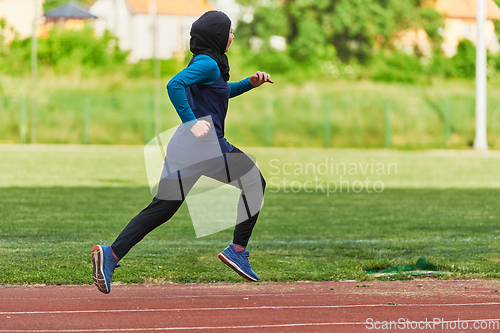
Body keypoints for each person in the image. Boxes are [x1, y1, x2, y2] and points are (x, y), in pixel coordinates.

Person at [92, 10, 273, 294]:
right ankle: (238, 250)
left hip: (184, 147)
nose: (232, 36)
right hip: (205, 145)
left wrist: (250, 83)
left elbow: (221, 92)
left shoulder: (208, 64)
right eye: (229, 31)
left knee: (163, 208)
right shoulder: (208, 63)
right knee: (254, 181)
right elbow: (174, 84)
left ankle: (110, 255)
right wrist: (191, 121)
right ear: (217, 36)